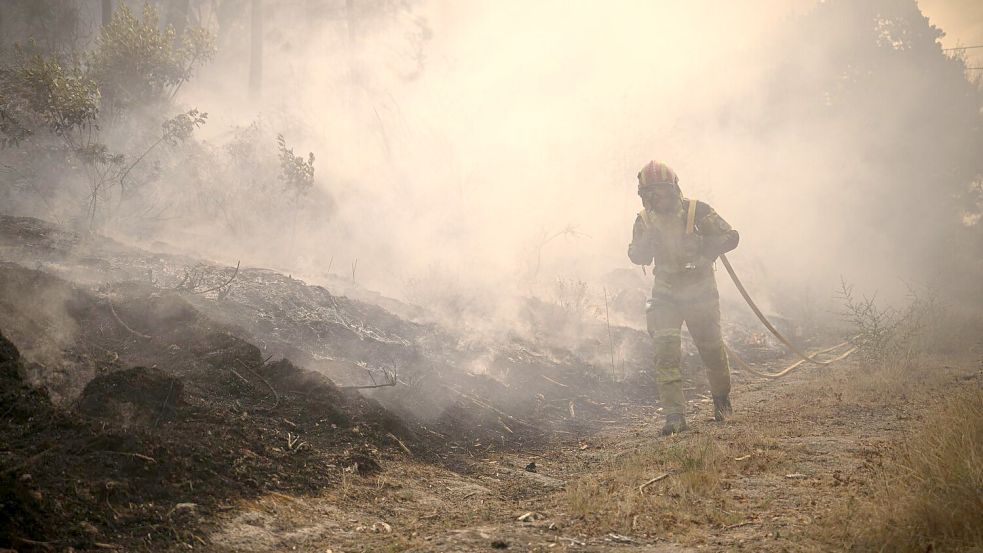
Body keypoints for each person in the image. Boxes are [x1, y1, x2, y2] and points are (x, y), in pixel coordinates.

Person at [628, 161, 739, 435]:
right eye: (651, 194)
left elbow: (731, 236)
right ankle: (674, 417)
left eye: (662, 191)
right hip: (665, 295)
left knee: (711, 349)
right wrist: (645, 245)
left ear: (674, 189)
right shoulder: (644, 220)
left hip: (700, 292)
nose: (658, 198)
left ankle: (722, 403)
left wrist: (703, 244)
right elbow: (636, 255)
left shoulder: (697, 211)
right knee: (665, 354)